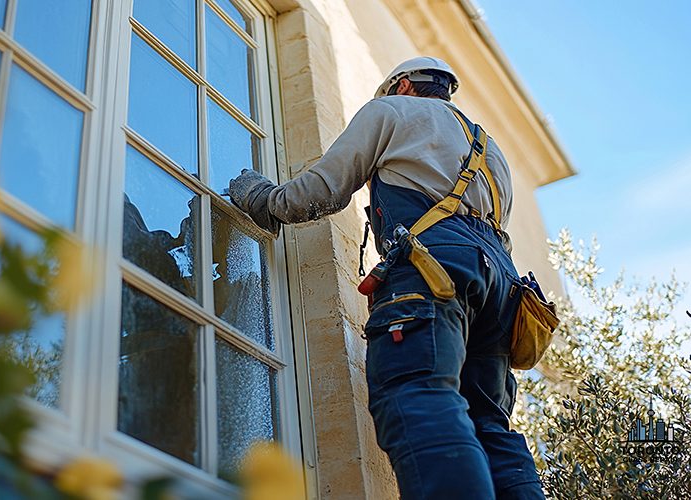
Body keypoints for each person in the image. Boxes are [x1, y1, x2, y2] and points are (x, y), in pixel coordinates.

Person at [227, 56, 544, 499]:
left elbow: (321, 191)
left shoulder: (391, 111)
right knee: (490, 427)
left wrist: (264, 198)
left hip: (436, 274)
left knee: (420, 397)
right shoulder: (492, 151)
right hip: (502, 294)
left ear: (404, 86)